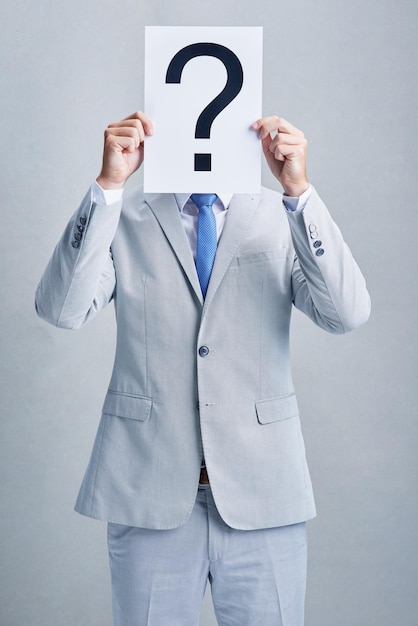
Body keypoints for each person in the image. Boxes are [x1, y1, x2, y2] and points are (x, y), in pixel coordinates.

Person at [35, 111, 370, 626]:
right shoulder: (125, 214)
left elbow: (346, 313)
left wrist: (299, 192)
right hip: (149, 492)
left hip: (263, 493)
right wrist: (108, 187)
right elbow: (60, 309)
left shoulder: (280, 214)